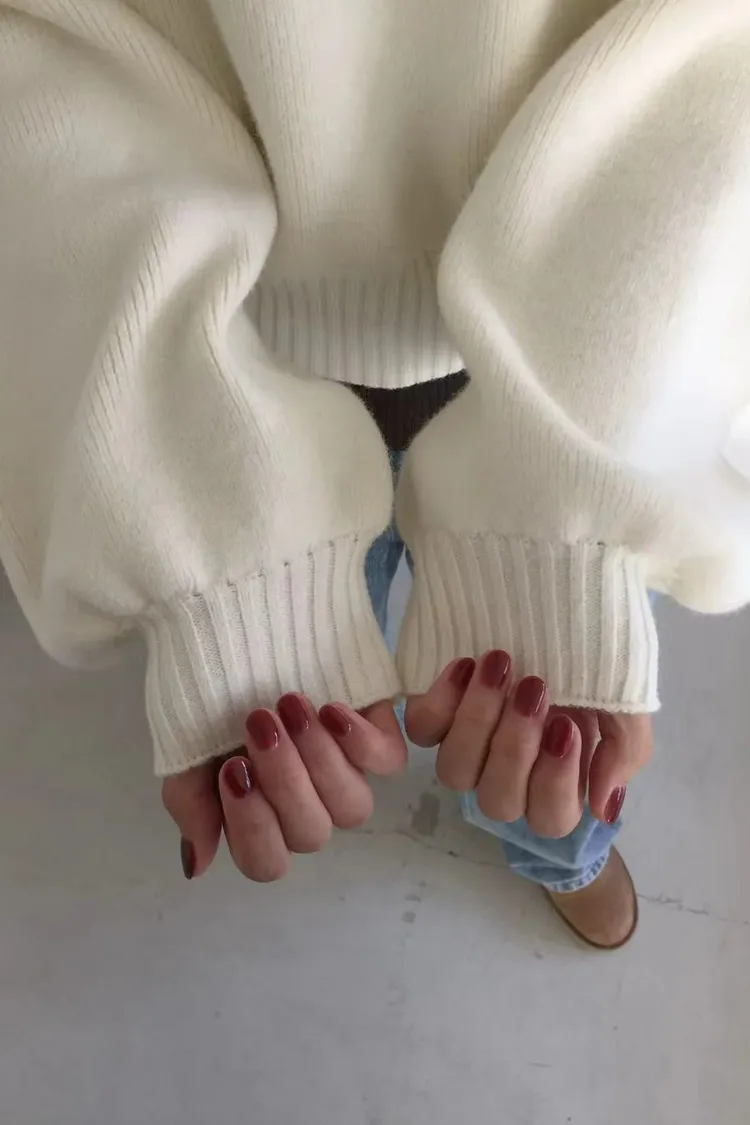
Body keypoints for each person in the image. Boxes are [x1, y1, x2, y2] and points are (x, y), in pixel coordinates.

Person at [2, 0, 749, 950]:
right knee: (345, 688)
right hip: (236, 354)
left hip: (590, 323)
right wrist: (194, 506)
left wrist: (577, 483)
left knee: (554, 701)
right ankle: (561, 837)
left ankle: (564, 853)